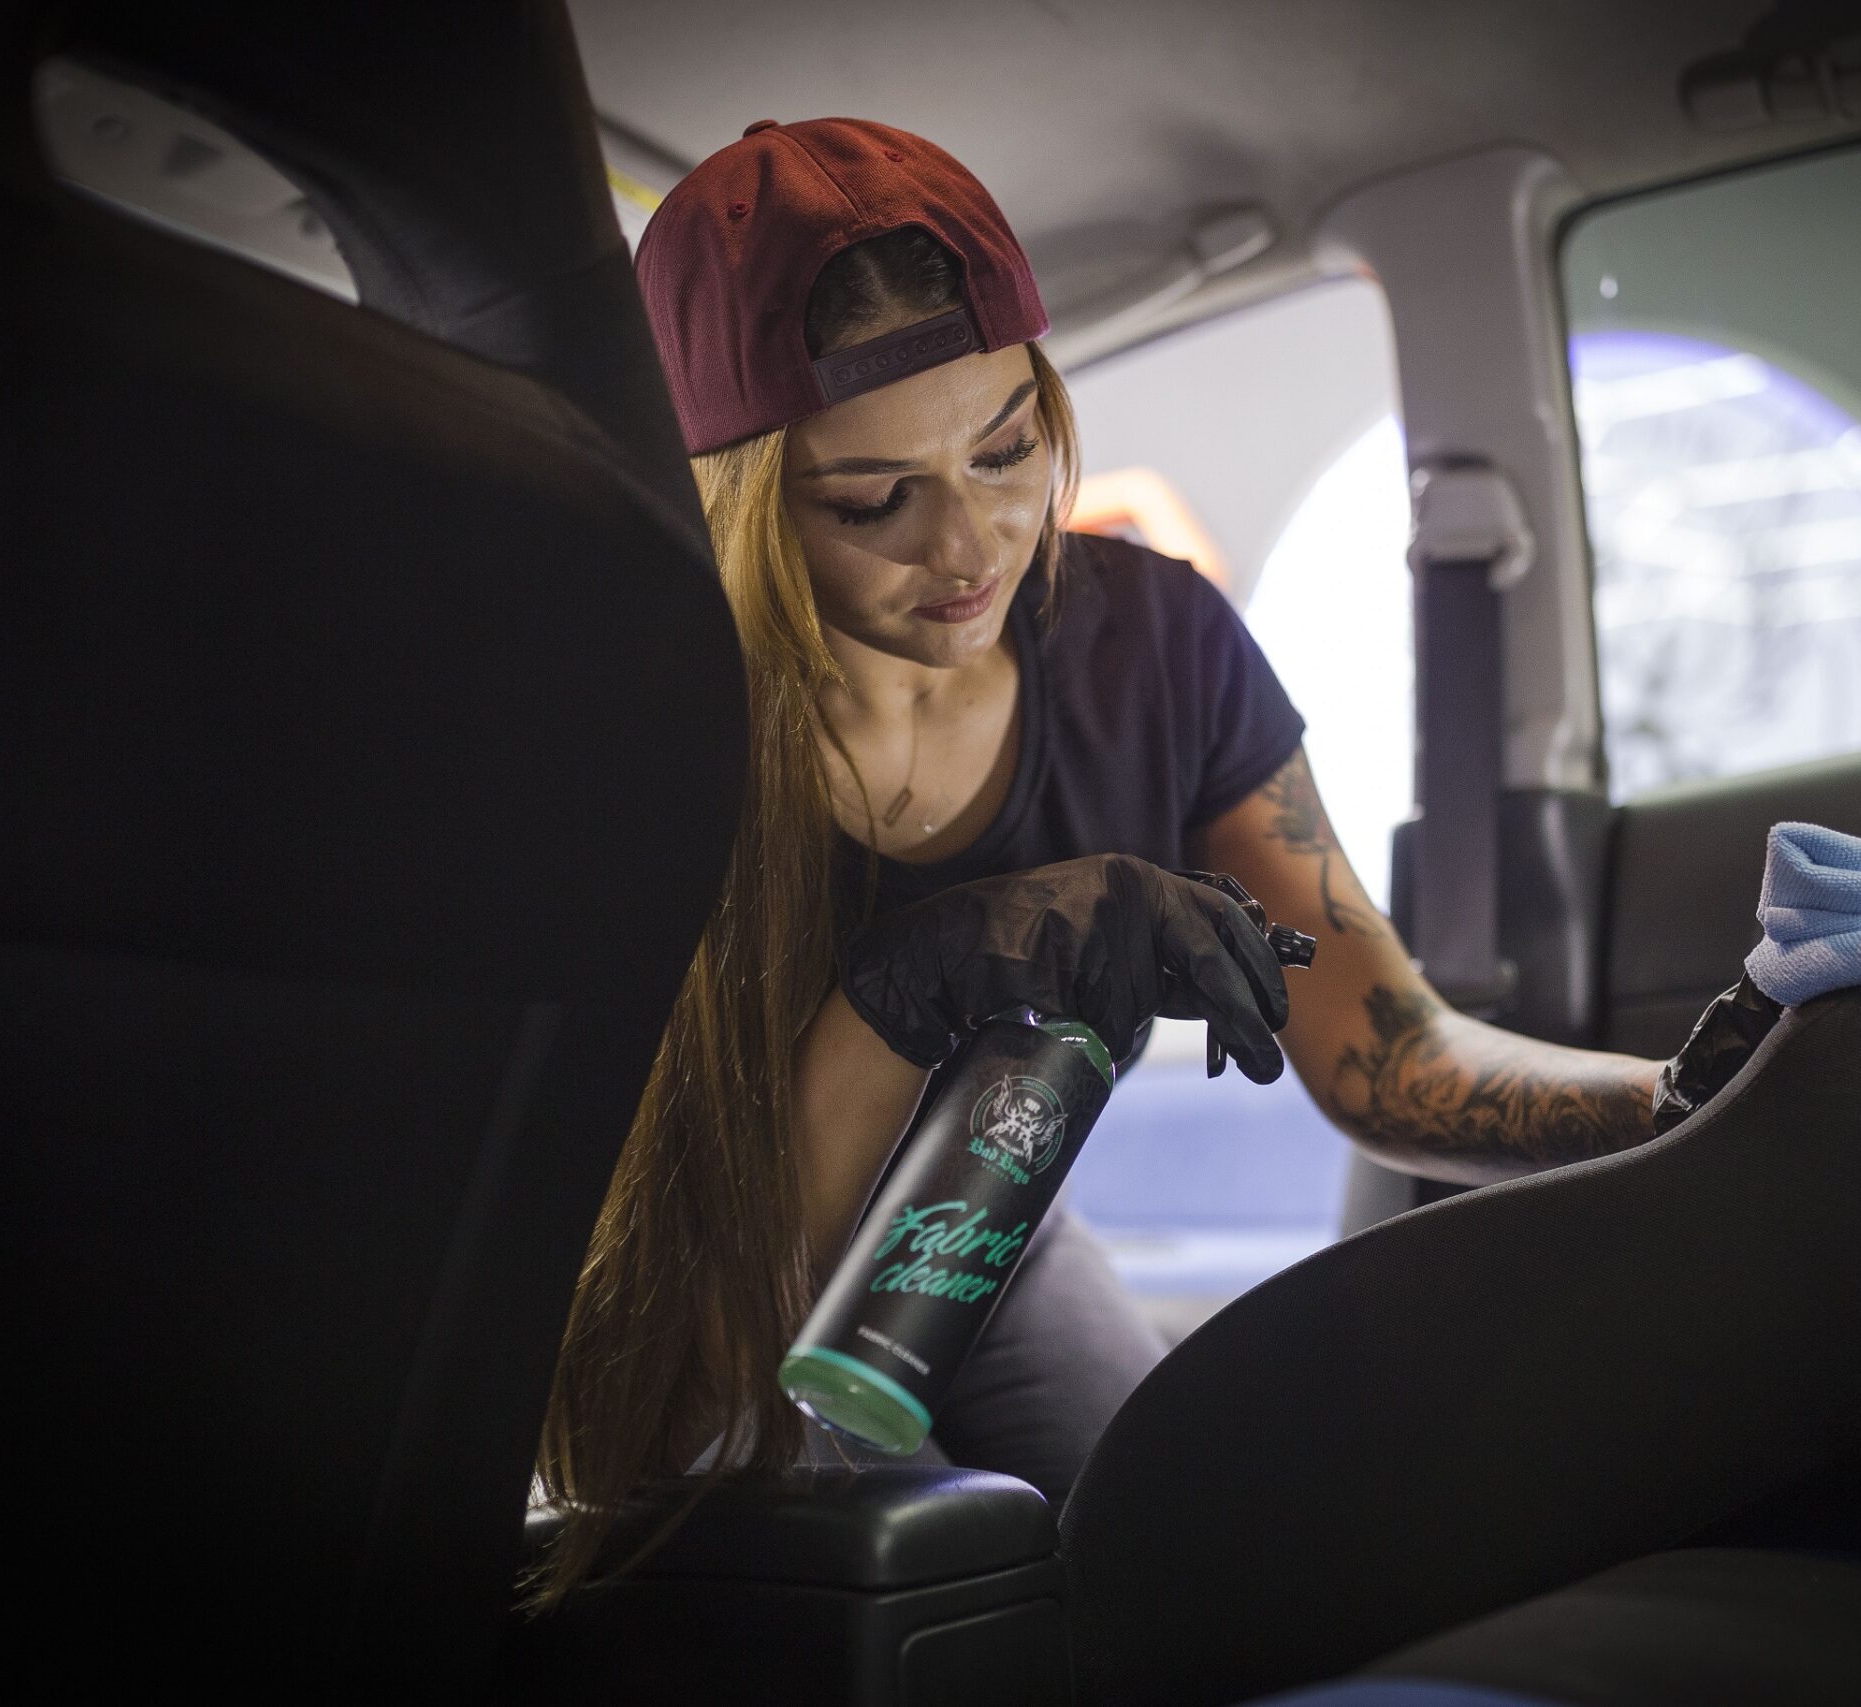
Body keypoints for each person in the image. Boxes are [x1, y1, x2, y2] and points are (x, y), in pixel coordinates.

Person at [532, 118, 1661, 1601]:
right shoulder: (644, 743)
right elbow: (645, 1398)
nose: (971, 548)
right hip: (729, 1294)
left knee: (1199, 1576)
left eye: (1006, 450)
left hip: (993, 1232)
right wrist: (904, 993)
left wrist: (1689, 1096)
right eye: (873, 500)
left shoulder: (1154, 648)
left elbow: (1391, 1057)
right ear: (742, 501)